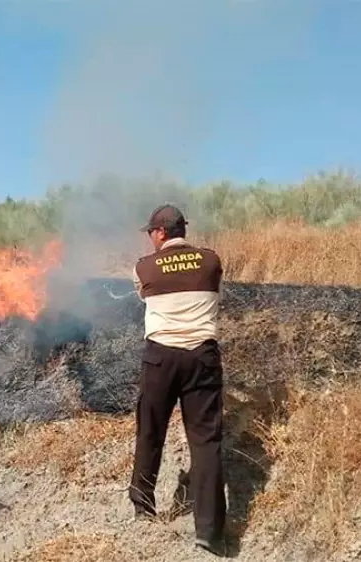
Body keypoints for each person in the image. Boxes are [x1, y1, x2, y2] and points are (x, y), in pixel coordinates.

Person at [130, 204, 227, 555]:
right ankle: (210, 533)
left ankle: (143, 505)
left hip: (160, 358)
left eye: (150, 234)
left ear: (159, 233)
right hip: (202, 357)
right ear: (183, 230)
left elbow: (146, 291)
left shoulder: (145, 266)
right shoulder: (211, 260)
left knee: (150, 430)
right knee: (205, 442)